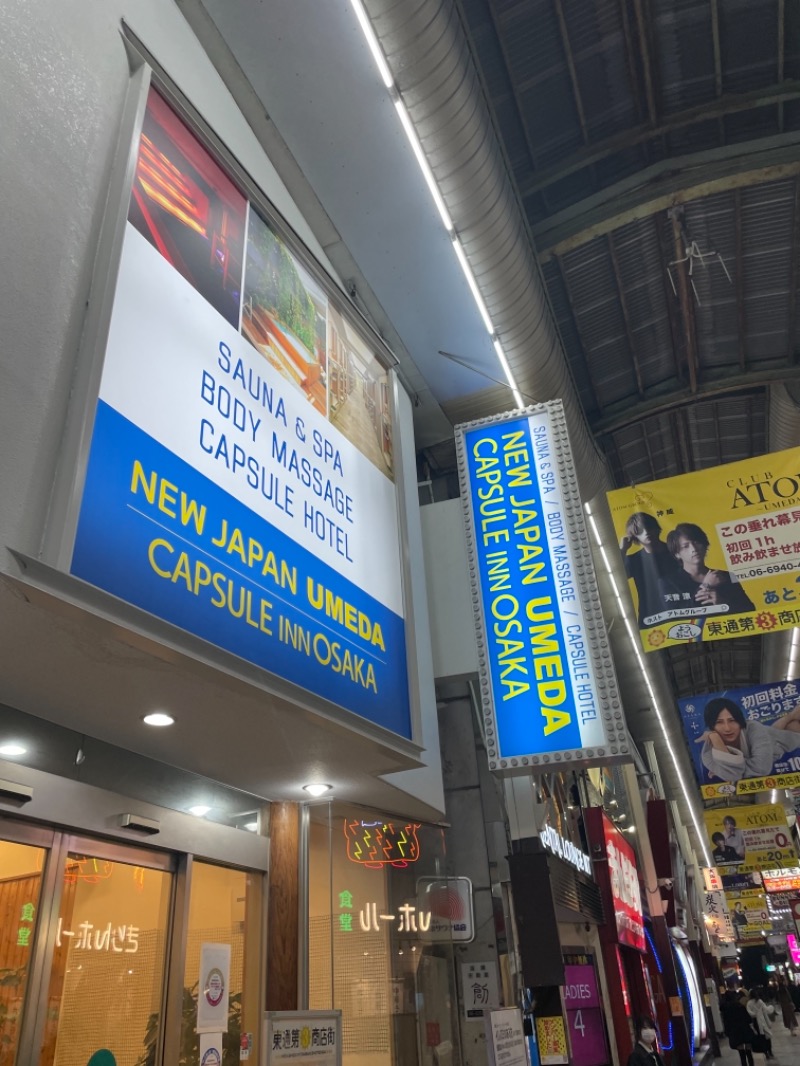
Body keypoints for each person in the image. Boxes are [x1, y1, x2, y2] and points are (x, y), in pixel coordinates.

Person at [696, 696, 800, 781]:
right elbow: (734, 775)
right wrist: (715, 739)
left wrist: (725, 768)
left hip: (782, 739)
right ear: (711, 726)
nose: (727, 728)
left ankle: (791, 716)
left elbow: (761, 768)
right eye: (719, 722)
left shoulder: (752, 727)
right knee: (784, 729)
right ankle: (791, 716)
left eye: (732, 720)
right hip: (773, 740)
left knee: (790, 728)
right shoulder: (707, 755)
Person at [664, 523, 755, 613]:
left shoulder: (728, 576)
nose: (693, 549)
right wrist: (706, 586)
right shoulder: (668, 583)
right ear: (677, 554)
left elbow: (750, 610)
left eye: (696, 542)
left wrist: (723, 604)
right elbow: (674, 615)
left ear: (704, 544)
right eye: (686, 546)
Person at [619, 513, 678, 627]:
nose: (646, 532)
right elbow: (618, 578)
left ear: (656, 528)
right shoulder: (634, 560)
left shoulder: (677, 552)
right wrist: (623, 549)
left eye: (649, 527)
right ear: (634, 536)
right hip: (651, 617)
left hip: (684, 609)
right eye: (639, 531)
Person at [724, 991, 756, 1066]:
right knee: (749, 1051)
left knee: (741, 1053)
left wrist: (728, 1033)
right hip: (745, 1030)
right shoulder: (740, 1006)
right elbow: (748, 1019)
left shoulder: (727, 1010)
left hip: (735, 1033)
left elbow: (726, 1023)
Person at [747, 987, 774, 1059]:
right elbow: (766, 1010)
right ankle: (770, 1051)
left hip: (756, 1022)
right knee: (767, 1037)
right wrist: (771, 1007)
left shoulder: (749, 1003)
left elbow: (750, 1013)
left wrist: (755, 1014)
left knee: (761, 1038)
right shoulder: (760, 1001)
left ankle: (765, 1053)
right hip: (763, 1021)